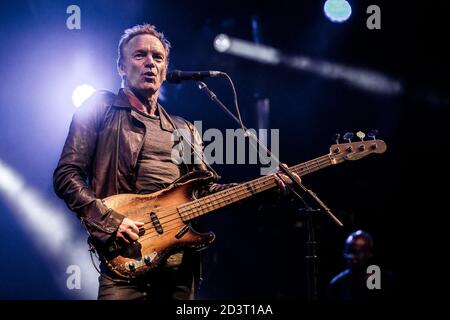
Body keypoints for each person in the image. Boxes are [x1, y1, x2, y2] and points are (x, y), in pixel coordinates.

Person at [54, 23, 293, 300]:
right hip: (125, 262)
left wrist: (263, 189)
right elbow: (67, 174)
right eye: (139, 55)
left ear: (166, 70)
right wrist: (109, 221)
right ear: (121, 66)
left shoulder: (184, 129)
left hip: (179, 267)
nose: (150, 64)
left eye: (158, 58)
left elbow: (205, 193)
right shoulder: (100, 108)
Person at [328, 230, 396, 300]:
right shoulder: (337, 284)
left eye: (356, 252)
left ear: (369, 254)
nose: (351, 256)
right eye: (349, 252)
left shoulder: (386, 281)